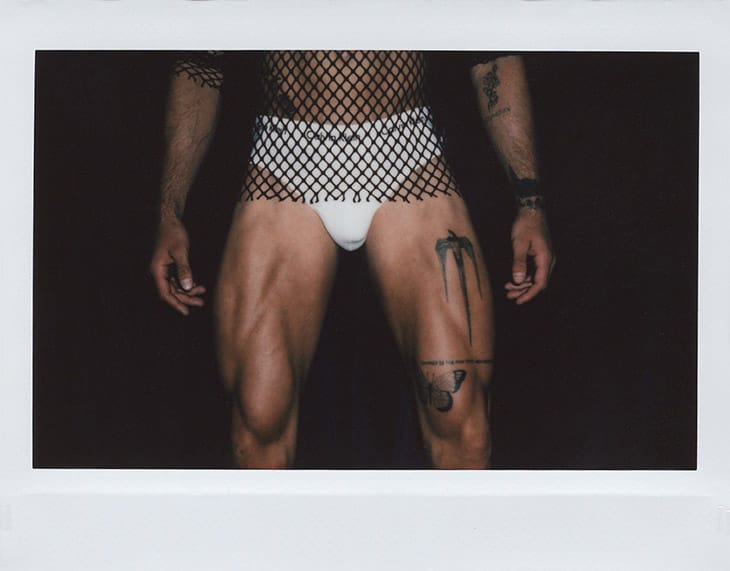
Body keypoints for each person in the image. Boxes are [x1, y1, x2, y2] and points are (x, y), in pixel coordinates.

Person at [149, 51, 554, 469]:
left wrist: (530, 204)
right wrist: (169, 212)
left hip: (406, 153)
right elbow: (201, 63)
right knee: (258, 423)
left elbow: (492, 57)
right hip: (284, 158)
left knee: (461, 423)